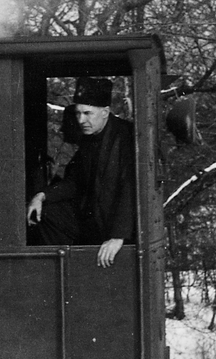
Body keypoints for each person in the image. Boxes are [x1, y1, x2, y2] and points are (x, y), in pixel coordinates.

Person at [26, 77, 136, 268]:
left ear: (105, 112)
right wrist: (41, 196)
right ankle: (64, 269)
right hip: (90, 220)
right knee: (45, 214)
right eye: (78, 113)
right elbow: (74, 181)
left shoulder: (125, 137)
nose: (81, 120)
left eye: (87, 113)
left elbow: (130, 188)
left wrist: (118, 237)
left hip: (113, 227)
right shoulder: (89, 136)